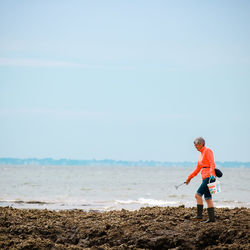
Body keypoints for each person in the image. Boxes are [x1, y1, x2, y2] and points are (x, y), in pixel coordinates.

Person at [185, 137, 216, 223]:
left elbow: (212, 163)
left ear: (201, 144)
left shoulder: (207, 151)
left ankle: (199, 216)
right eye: (194, 145)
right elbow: (197, 169)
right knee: (208, 198)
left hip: (209, 177)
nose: (195, 147)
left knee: (197, 195)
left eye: (196, 145)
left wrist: (212, 175)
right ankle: (211, 219)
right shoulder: (201, 154)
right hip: (205, 177)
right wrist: (189, 178)